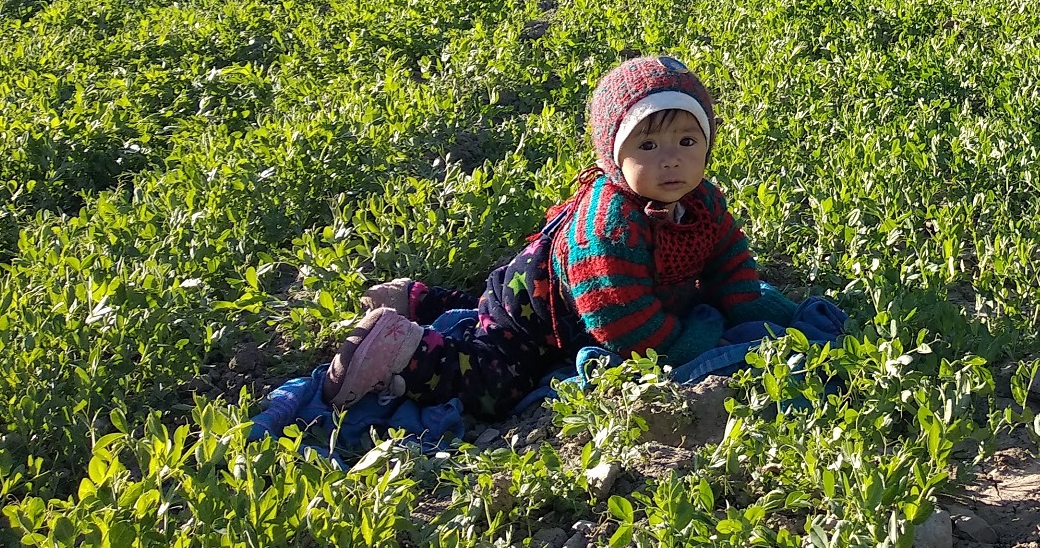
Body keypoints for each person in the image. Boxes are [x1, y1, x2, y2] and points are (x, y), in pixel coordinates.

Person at [323, 56, 809, 417]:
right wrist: (691, 339)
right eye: (647, 144)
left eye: (687, 141)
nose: (671, 159)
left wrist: (753, 307)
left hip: (542, 291)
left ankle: (418, 298)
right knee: (500, 381)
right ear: (612, 155)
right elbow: (624, 327)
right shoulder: (608, 228)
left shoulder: (702, 200)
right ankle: (400, 350)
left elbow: (729, 258)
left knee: (478, 311)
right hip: (540, 317)